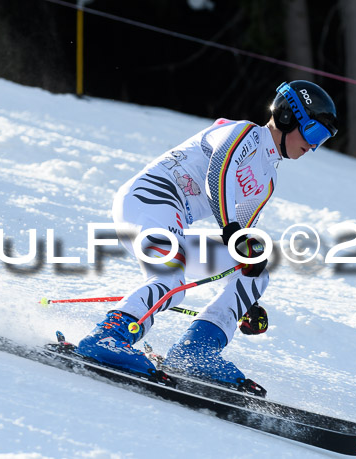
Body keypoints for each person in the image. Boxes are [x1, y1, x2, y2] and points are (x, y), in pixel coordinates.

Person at [77, 80, 338, 393]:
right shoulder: (243, 134)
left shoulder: (267, 179)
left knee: (254, 270)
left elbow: (243, 238)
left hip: (172, 219)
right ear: (286, 117)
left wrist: (245, 302)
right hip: (149, 200)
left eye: (321, 139)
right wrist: (231, 230)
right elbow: (220, 172)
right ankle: (109, 337)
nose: (313, 145)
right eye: (313, 133)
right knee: (172, 282)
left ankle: (195, 352)